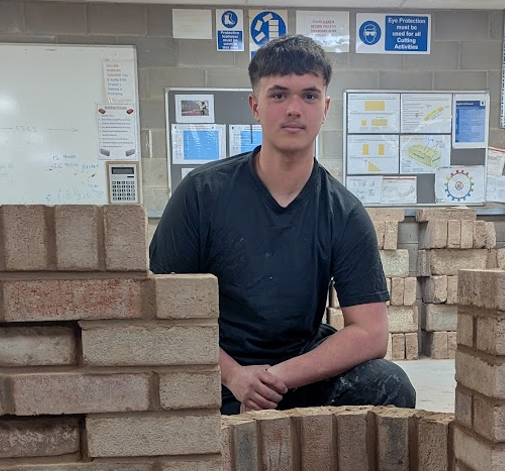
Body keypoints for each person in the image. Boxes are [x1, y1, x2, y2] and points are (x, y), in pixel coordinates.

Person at [150, 34, 416, 415]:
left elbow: (371, 333)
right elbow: (161, 310)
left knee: (390, 385)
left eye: (309, 95)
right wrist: (236, 377)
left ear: (325, 108)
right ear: (255, 106)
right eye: (278, 95)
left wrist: (275, 379)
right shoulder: (201, 194)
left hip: (296, 375)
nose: (294, 109)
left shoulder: (343, 213)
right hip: (214, 369)